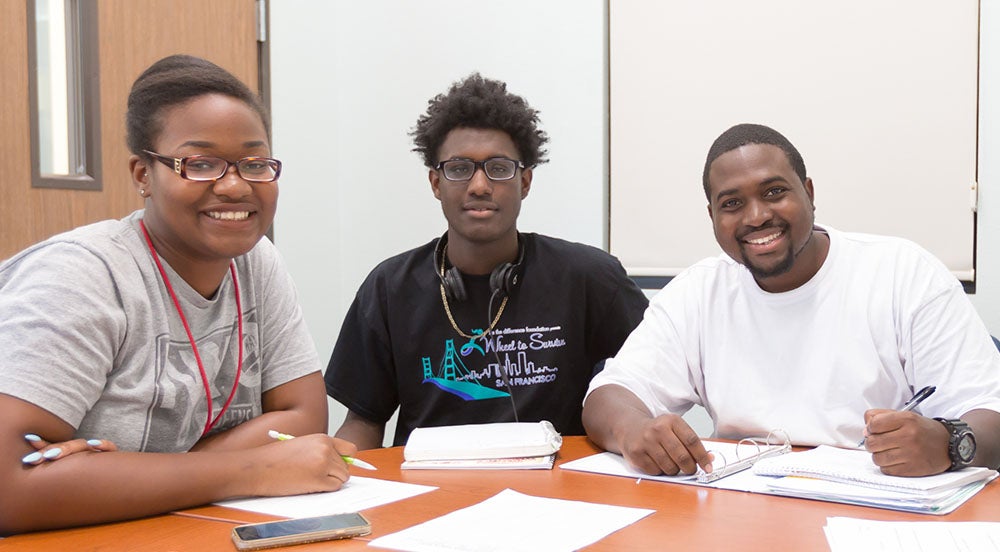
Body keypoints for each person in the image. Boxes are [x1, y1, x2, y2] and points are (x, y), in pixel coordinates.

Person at [0, 55, 356, 535]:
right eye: (200, 163)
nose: (234, 186)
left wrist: (126, 473)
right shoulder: (80, 276)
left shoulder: (256, 262)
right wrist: (255, 469)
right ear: (143, 175)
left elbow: (304, 416)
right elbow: (9, 487)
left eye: (254, 163)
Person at [582, 123, 1000, 478]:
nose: (757, 216)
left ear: (809, 193)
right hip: (744, 511)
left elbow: (989, 415)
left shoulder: (903, 274)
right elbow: (609, 395)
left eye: (774, 191)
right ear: (712, 216)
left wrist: (949, 444)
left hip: (874, 513)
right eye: (731, 203)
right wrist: (633, 429)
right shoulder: (698, 292)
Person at [324, 74, 648, 449]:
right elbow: (363, 421)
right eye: (460, 169)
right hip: (427, 496)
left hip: (558, 492)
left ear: (525, 182)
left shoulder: (591, 278)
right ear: (435, 183)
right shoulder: (389, 287)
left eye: (498, 168)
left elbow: (647, 385)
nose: (479, 185)